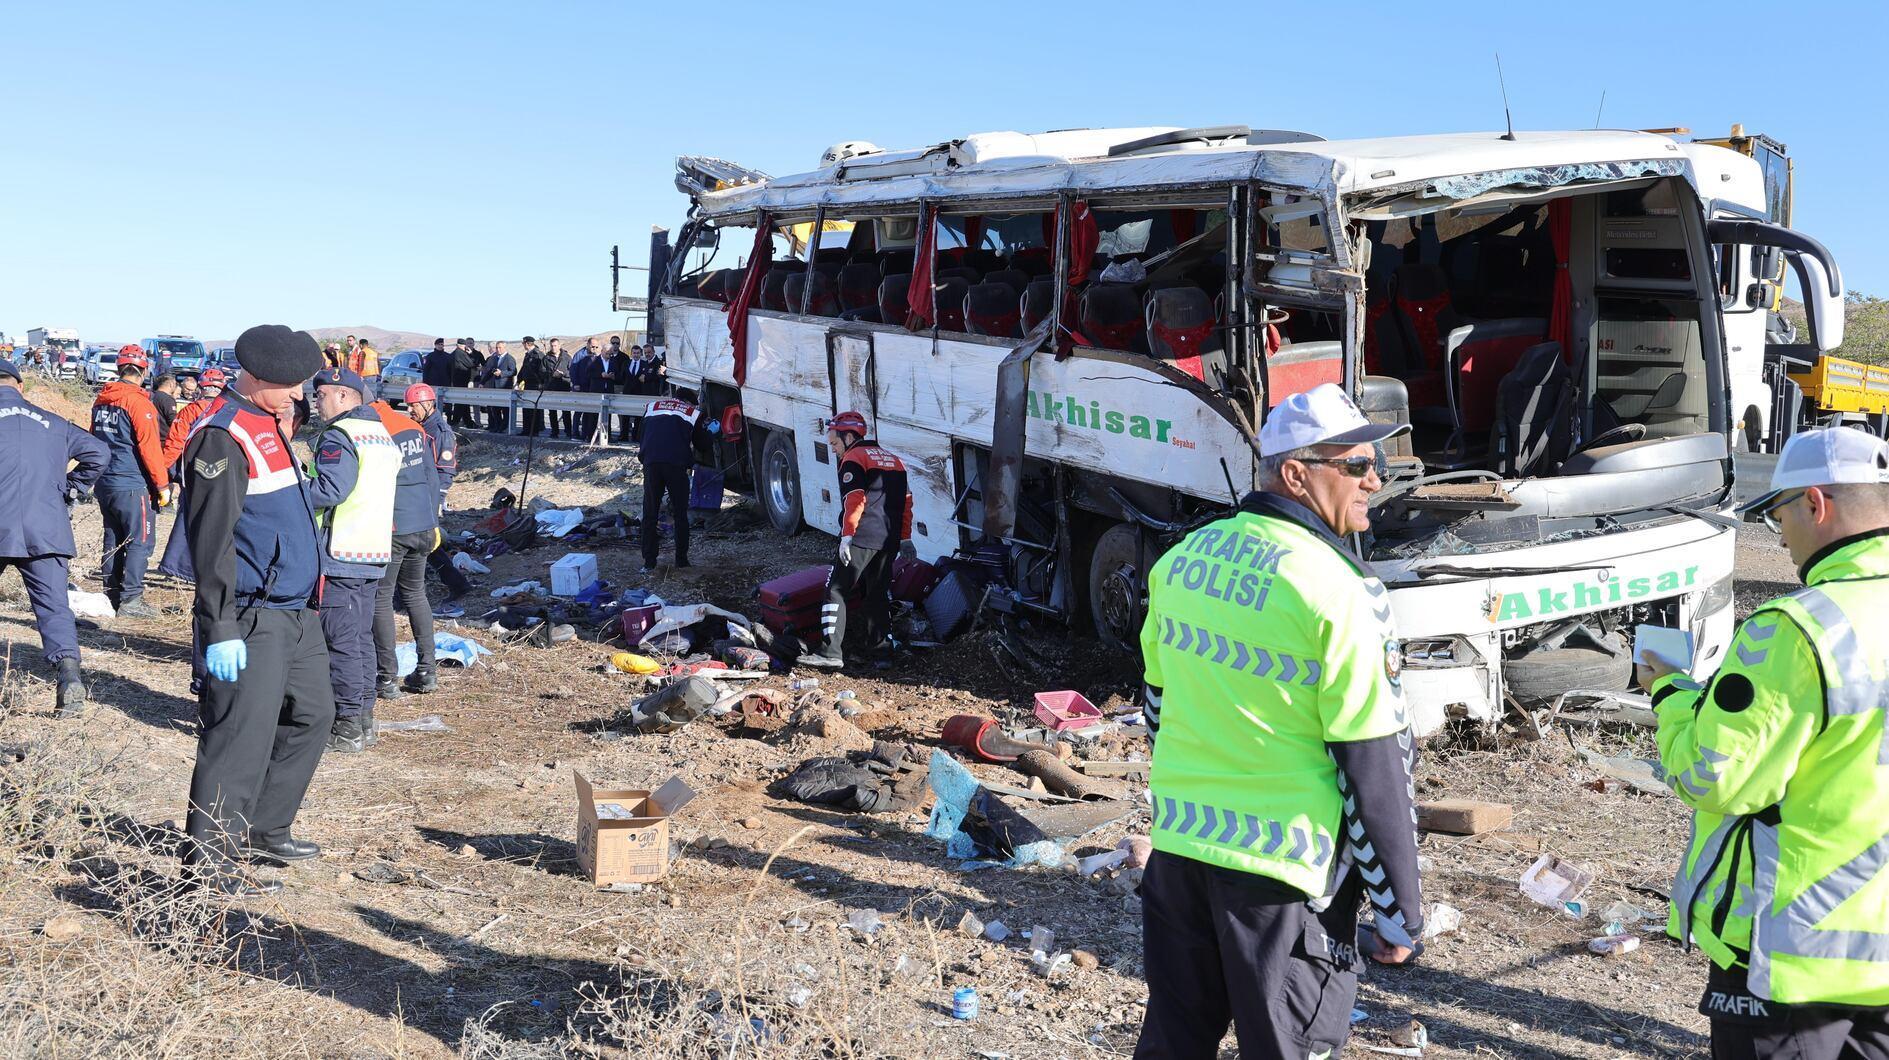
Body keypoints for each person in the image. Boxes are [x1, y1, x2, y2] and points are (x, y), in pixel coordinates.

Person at [1132, 383, 1423, 1059]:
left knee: (1172, 1046)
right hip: (1285, 878)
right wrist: (1397, 909)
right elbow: (1373, 763)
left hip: (1180, 855)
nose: (1374, 480)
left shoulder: (1182, 562)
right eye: (1355, 466)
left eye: (1375, 464)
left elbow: (1157, 711)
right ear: (1295, 474)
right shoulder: (1341, 590)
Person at [1641, 426, 1889, 1060]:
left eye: (1778, 514)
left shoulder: (1797, 628)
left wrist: (1670, 694)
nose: (1778, 536)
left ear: (1815, 503)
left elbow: (1715, 775)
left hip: (1792, 962)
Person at [180, 324, 331, 898]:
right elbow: (210, 539)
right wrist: (218, 624)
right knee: (238, 737)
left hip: (296, 612)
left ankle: (265, 827)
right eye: (289, 385)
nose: (298, 394)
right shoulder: (222, 435)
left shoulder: (268, 424)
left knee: (314, 714)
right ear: (257, 377)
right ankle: (211, 865)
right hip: (249, 614)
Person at [0, 357, 109, 716]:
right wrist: (72, 487)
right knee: (53, 606)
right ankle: (69, 678)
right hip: (46, 527)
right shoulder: (53, 422)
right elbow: (99, 452)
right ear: (20, 385)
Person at [305, 368, 399, 753]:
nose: (316, 402)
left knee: (340, 643)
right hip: (371, 550)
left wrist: (290, 488)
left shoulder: (340, 436)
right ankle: (363, 719)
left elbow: (330, 489)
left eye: (321, 394)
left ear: (343, 396)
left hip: (340, 552)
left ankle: (347, 726)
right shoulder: (379, 434)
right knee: (360, 639)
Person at [795, 410, 912, 670]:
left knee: (836, 589)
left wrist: (847, 535)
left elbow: (855, 498)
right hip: (888, 540)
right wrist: (905, 538)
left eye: (835, 443)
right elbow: (906, 502)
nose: (835, 450)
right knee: (877, 593)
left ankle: (830, 653)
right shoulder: (895, 461)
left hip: (861, 536)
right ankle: (882, 653)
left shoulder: (853, 458)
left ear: (849, 437)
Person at [367, 396, 441, 699]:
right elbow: (431, 476)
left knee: (381, 598)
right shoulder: (412, 427)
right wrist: (433, 519)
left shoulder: (375, 432)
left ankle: (386, 677)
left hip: (395, 527)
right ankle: (427, 670)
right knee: (415, 593)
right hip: (423, 524)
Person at [90, 346, 171, 619]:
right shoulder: (139, 404)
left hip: (105, 481)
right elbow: (150, 448)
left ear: (118, 368)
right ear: (144, 371)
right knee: (141, 540)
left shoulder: (102, 400)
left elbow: (94, 440)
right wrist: (162, 486)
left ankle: (111, 594)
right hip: (131, 483)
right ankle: (131, 600)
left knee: (113, 538)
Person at [402, 384, 472, 613]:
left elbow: (445, 469)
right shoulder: (418, 427)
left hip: (428, 495)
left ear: (427, 404)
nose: (410, 410)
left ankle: (409, 593)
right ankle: (457, 583)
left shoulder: (441, 432)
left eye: (413, 406)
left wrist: (438, 499)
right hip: (416, 493)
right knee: (427, 544)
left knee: (420, 542)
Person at [636, 393, 707, 573]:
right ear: (688, 402)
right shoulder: (691, 412)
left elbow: (640, 435)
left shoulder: (652, 407)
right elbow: (702, 445)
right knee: (680, 513)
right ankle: (681, 560)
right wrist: (712, 433)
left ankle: (649, 562)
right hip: (676, 465)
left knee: (650, 513)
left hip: (651, 463)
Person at [475, 340, 516, 433]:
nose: (498, 349)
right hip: (495, 387)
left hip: (504, 387)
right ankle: (497, 426)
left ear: (504, 348)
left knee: (505, 409)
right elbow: (490, 372)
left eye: (500, 347)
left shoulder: (509, 358)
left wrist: (502, 373)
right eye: (497, 347)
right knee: (495, 408)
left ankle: (504, 427)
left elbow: (513, 371)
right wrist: (482, 382)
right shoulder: (495, 358)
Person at [517, 336, 550, 438]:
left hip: (536, 385)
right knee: (526, 408)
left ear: (527, 343)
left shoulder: (538, 355)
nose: (523, 345)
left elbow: (543, 371)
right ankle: (526, 429)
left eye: (523, 343)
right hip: (528, 384)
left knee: (534, 409)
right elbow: (523, 370)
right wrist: (518, 381)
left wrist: (542, 384)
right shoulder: (528, 355)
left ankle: (534, 430)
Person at [604, 338, 636, 442]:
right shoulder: (607, 355)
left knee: (621, 412)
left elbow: (625, 373)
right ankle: (606, 434)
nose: (615, 345)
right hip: (607, 385)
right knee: (606, 410)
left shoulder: (624, 357)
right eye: (613, 343)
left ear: (619, 344)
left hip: (619, 386)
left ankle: (623, 434)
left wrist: (615, 377)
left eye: (617, 343)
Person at [545, 338, 573, 439]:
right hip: (551, 387)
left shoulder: (566, 357)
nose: (553, 348)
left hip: (564, 386)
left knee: (566, 411)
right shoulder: (547, 358)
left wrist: (563, 374)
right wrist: (551, 375)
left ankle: (568, 431)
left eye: (555, 345)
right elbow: (542, 371)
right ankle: (554, 431)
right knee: (552, 411)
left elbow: (572, 371)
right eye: (552, 346)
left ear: (559, 346)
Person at [448, 338, 478, 426]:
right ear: (463, 345)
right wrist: (471, 354)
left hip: (455, 380)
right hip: (462, 380)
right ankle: (456, 421)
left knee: (463, 402)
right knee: (461, 402)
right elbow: (471, 364)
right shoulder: (460, 353)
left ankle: (468, 421)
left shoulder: (453, 354)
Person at [151, 373, 180, 439]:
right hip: (164, 438)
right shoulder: (168, 399)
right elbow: (172, 419)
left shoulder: (150, 396)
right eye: (175, 384)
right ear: (171, 384)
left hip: (151, 435)